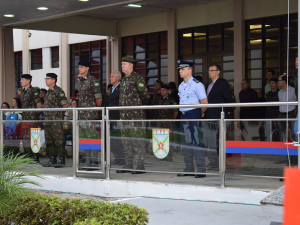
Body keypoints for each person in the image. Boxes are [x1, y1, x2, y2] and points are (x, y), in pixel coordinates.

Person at [116, 56, 149, 174]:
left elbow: (145, 96)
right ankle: (128, 163)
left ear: (131, 66)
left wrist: (138, 108)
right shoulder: (124, 80)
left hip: (135, 116)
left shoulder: (138, 79)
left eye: (124, 64)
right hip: (124, 116)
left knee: (137, 140)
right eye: (121, 64)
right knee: (126, 140)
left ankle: (140, 165)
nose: (122, 66)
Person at [177, 60, 208, 178]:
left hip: (193, 113)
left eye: (182, 69)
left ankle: (201, 169)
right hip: (183, 115)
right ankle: (189, 167)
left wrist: (198, 114)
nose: (180, 71)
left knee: (195, 142)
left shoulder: (197, 84)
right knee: (185, 142)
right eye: (180, 69)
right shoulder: (180, 85)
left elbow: (204, 102)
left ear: (189, 70)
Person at [205, 64, 234, 169]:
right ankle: (213, 162)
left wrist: (227, 112)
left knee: (219, 140)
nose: (209, 72)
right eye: (209, 70)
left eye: (212, 70)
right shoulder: (208, 84)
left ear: (218, 72)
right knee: (211, 140)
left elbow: (229, 100)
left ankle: (221, 163)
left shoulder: (222, 84)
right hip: (209, 116)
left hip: (219, 116)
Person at [77, 60, 102, 168]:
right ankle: (88, 161)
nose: (79, 68)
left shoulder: (93, 80)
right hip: (82, 115)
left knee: (93, 139)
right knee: (85, 139)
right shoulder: (81, 81)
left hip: (91, 115)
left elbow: (99, 98)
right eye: (79, 67)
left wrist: (95, 111)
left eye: (81, 67)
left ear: (87, 68)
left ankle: (94, 162)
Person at [43, 73, 68, 166]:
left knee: (59, 140)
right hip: (48, 120)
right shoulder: (48, 92)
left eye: (47, 79)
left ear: (53, 80)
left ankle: (61, 159)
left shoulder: (59, 91)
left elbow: (65, 105)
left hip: (56, 121)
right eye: (45, 79)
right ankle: (52, 159)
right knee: (49, 140)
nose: (45, 80)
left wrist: (59, 116)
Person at [20, 74, 42, 162]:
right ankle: (27, 155)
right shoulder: (23, 91)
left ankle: (35, 156)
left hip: (32, 118)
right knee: (25, 137)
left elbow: (39, 105)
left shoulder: (34, 91)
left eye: (23, 79)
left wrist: (34, 115)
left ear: (28, 81)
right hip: (25, 118)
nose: (21, 81)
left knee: (34, 137)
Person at [157, 84, 178, 161]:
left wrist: (172, 120)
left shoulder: (171, 100)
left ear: (168, 91)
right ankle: (163, 155)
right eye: (161, 90)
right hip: (161, 123)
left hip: (169, 123)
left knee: (169, 139)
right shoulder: (159, 99)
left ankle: (169, 156)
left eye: (164, 90)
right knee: (161, 139)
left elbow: (176, 111)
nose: (162, 91)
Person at [108, 71, 125, 165]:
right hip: (111, 117)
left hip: (118, 117)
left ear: (118, 78)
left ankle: (122, 158)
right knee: (113, 139)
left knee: (119, 139)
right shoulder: (112, 88)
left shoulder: (121, 87)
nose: (110, 78)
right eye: (110, 76)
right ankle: (117, 157)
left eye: (112, 76)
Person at [277, 74, 297, 142]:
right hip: (281, 114)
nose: (278, 82)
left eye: (279, 80)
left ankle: (292, 145)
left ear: (284, 81)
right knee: (281, 131)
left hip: (290, 113)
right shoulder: (279, 92)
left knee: (291, 131)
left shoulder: (293, 90)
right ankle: (282, 145)